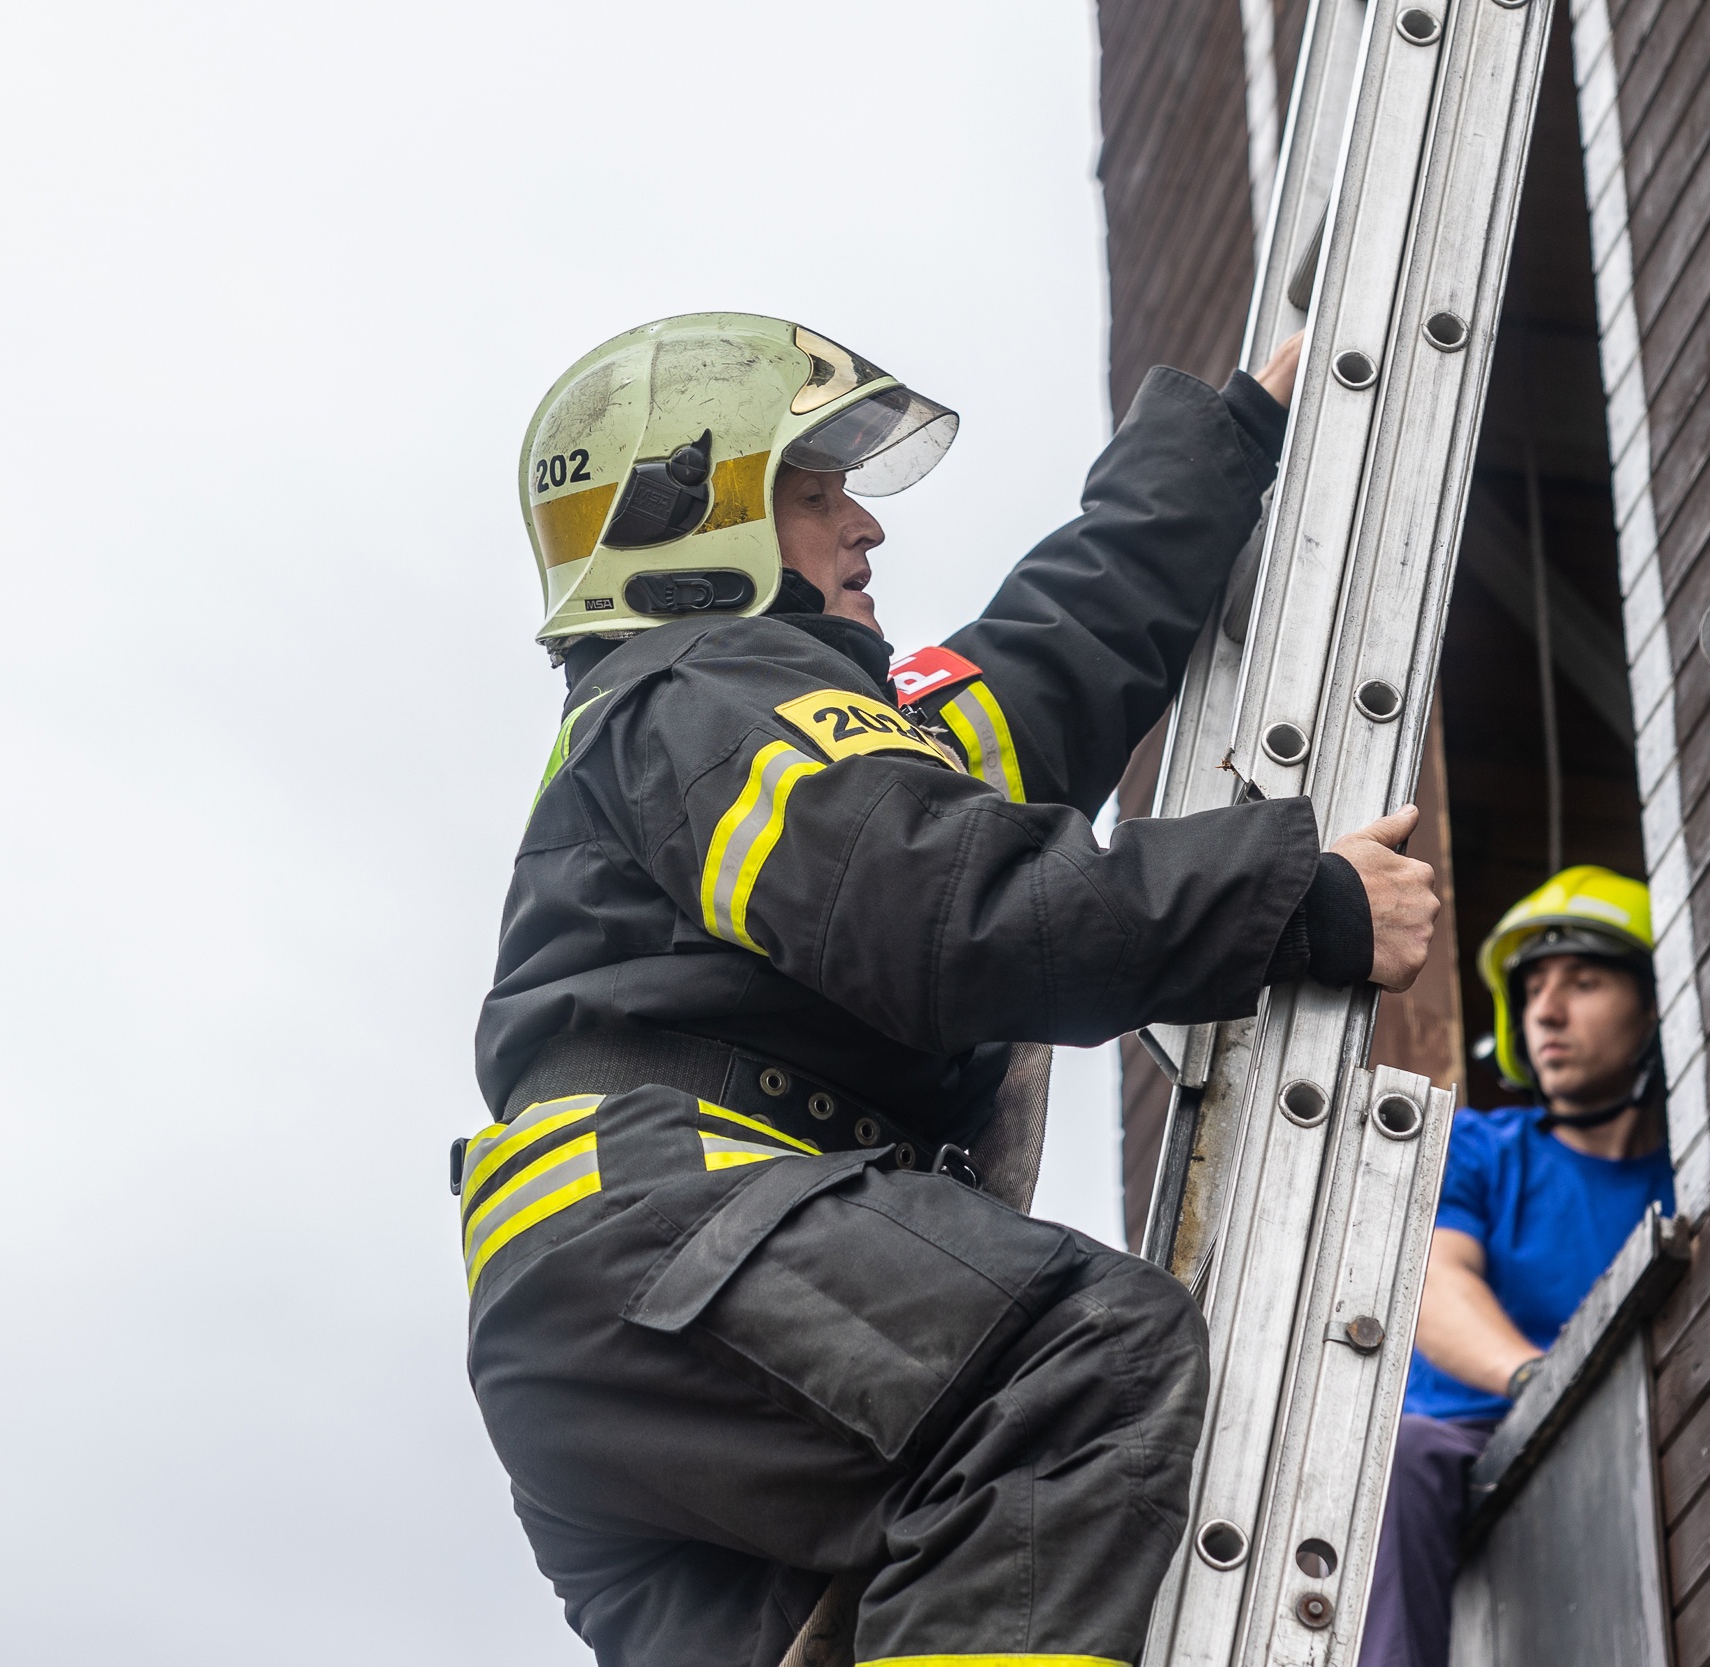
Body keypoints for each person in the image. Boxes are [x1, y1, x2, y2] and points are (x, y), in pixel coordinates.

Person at [460, 313, 1442, 1667]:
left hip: (632, 1313)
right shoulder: (704, 684)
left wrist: (1218, 449)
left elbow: (1052, 657)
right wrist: (1301, 900)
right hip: (672, 1234)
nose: (864, 527)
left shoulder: (806, 731)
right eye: (813, 494)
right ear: (696, 528)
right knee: (1076, 1365)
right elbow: (943, 911)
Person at [1360, 866, 1676, 1667]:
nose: (1547, 1008)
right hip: (1469, 1437)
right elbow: (1433, 1287)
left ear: (1652, 1005)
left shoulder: (1687, 1173)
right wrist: (1541, 1381)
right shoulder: (1480, 1150)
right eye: (1533, 986)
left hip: (1656, 1428)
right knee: (1402, 1455)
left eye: (1585, 979)